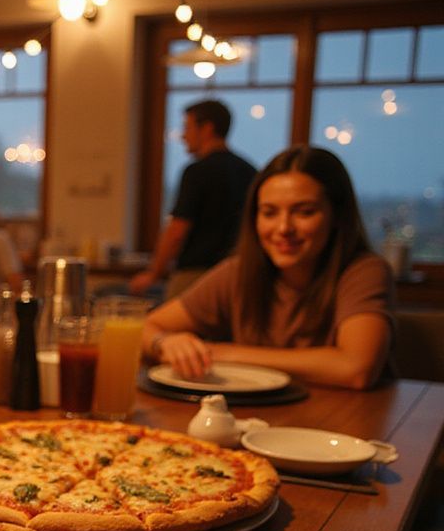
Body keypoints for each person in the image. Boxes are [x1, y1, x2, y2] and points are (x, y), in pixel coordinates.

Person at [141, 145, 394, 390]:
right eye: (269, 213)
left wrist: (228, 354)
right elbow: (145, 327)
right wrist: (164, 342)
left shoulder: (364, 271)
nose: (283, 228)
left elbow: (357, 368)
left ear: (337, 216)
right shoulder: (238, 272)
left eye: (304, 212)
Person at [129, 99, 256, 298]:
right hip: (236, 276)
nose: (183, 135)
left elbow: (177, 230)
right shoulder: (249, 170)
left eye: (187, 127)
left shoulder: (197, 171)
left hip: (195, 276)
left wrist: (153, 273)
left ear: (207, 128)